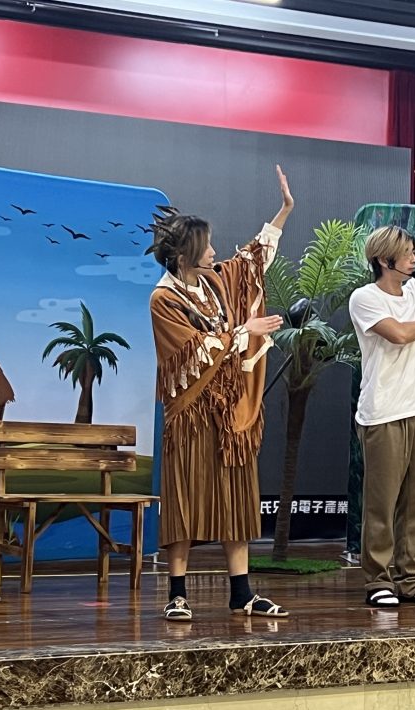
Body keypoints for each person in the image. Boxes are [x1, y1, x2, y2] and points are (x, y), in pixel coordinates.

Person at [149, 165, 293, 621]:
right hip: (192, 413)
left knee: (235, 495)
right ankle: (177, 593)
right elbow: (195, 351)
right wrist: (244, 331)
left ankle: (242, 593)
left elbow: (249, 263)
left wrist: (284, 211)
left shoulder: (214, 282)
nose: (214, 251)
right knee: (185, 497)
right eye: (207, 246)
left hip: (229, 411)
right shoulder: (163, 300)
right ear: (184, 256)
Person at [348, 165, 415, 608]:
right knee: (382, 502)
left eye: (414, 253)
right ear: (384, 260)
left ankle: (413, 580)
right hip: (383, 413)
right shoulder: (365, 297)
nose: (414, 259)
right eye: (407, 254)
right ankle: (379, 581)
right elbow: (397, 334)